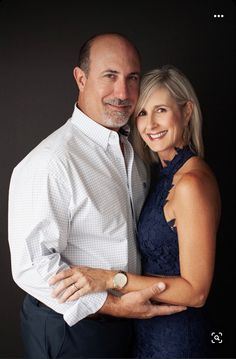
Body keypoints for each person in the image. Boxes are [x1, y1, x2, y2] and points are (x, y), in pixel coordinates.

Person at [8, 34, 185, 358]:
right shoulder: (50, 162)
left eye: (132, 78)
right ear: (81, 78)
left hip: (126, 325)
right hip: (72, 330)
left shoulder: (134, 152)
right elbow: (32, 266)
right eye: (110, 76)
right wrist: (113, 304)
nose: (123, 93)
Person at [50, 65, 221, 358]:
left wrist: (108, 279)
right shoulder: (161, 173)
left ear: (187, 111)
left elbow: (196, 292)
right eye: (142, 113)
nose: (150, 124)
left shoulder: (191, 183)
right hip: (147, 331)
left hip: (177, 339)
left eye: (161, 110)